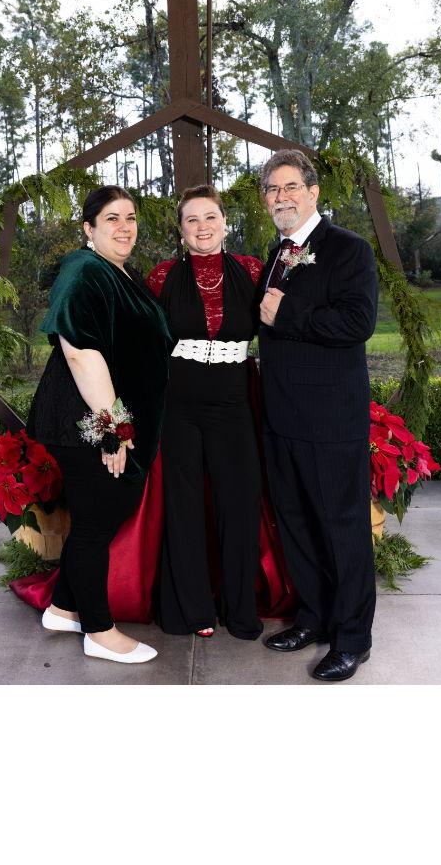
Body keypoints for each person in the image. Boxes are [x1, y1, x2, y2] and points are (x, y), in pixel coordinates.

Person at [25, 185, 174, 664]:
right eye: (112, 218)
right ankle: (99, 630)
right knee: (96, 523)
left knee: (101, 516)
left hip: (106, 416)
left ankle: (64, 608)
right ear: (88, 227)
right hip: (89, 419)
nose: (125, 227)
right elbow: (81, 353)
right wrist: (115, 428)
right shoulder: (85, 270)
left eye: (130, 217)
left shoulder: (116, 271)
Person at [257, 149, 379, 682]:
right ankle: (312, 616)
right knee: (297, 524)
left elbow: (357, 322)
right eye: (271, 189)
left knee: (342, 528)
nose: (279, 197)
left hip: (330, 420)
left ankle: (352, 638)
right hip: (281, 416)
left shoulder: (349, 249)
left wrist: (287, 312)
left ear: (313, 192)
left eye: (289, 187)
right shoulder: (277, 252)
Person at [145, 185, 265, 640]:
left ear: (225, 223)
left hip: (234, 402)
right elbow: (145, 343)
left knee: (239, 502)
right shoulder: (162, 277)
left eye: (210, 217)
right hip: (179, 403)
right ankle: (191, 609)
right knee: (184, 504)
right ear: (181, 231)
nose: (202, 227)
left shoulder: (252, 270)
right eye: (192, 220)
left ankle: (240, 607)